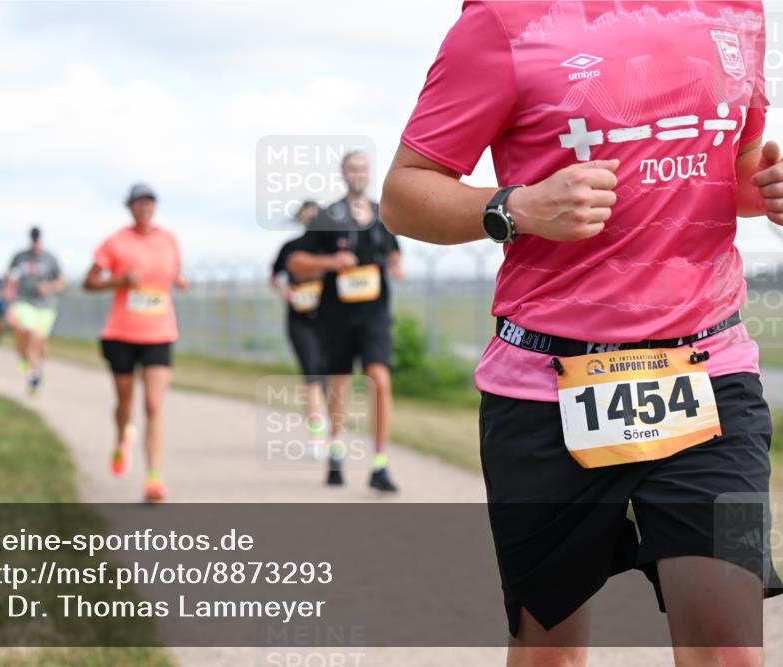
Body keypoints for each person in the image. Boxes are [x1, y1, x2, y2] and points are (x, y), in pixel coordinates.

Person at [381, 1, 779, 663]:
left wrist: (768, 188)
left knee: (730, 648)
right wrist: (518, 206)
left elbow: (728, 170)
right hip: (546, 388)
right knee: (550, 652)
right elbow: (402, 194)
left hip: (709, 375)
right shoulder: (503, 22)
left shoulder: (736, 11)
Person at [288, 152, 404, 492]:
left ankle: (380, 462)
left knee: (379, 379)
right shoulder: (327, 215)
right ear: (343, 174)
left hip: (375, 315)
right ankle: (336, 449)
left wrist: (395, 264)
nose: (358, 174)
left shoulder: (383, 214)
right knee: (339, 386)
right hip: (336, 317)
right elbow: (296, 262)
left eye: (362, 168)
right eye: (352, 168)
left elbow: (393, 250)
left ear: (368, 174)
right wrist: (330, 260)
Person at [82, 184, 186, 503]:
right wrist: (120, 281)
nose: (144, 208)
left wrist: (179, 282)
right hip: (121, 334)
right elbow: (89, 283)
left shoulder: (168, 239)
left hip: (159, 333)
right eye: (138, 203)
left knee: (154, 405)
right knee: (125, 404)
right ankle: (121, 437)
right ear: (129, 207)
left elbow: (175, 273)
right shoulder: (115, 242)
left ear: (155, 207)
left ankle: (153, 478)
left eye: (149, 203)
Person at [271, 200, 328, 458]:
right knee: (311, 373)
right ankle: (316, 436)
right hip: (300, 318)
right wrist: (285, 291)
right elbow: (274, 277)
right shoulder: (290, 248)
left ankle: (328, 426)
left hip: (329, 320)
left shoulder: (330, 246)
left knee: (329, 375)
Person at [6, 227, 65, 395]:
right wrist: (9, 298)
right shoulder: (20, 257)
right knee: (29, 335)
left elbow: (61, 281)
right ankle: (33, 377)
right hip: (24, 302)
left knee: (39, 343)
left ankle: (36, 369)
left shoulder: (50, 258)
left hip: (46, 306)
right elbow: (10, 279)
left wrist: (50, 287)